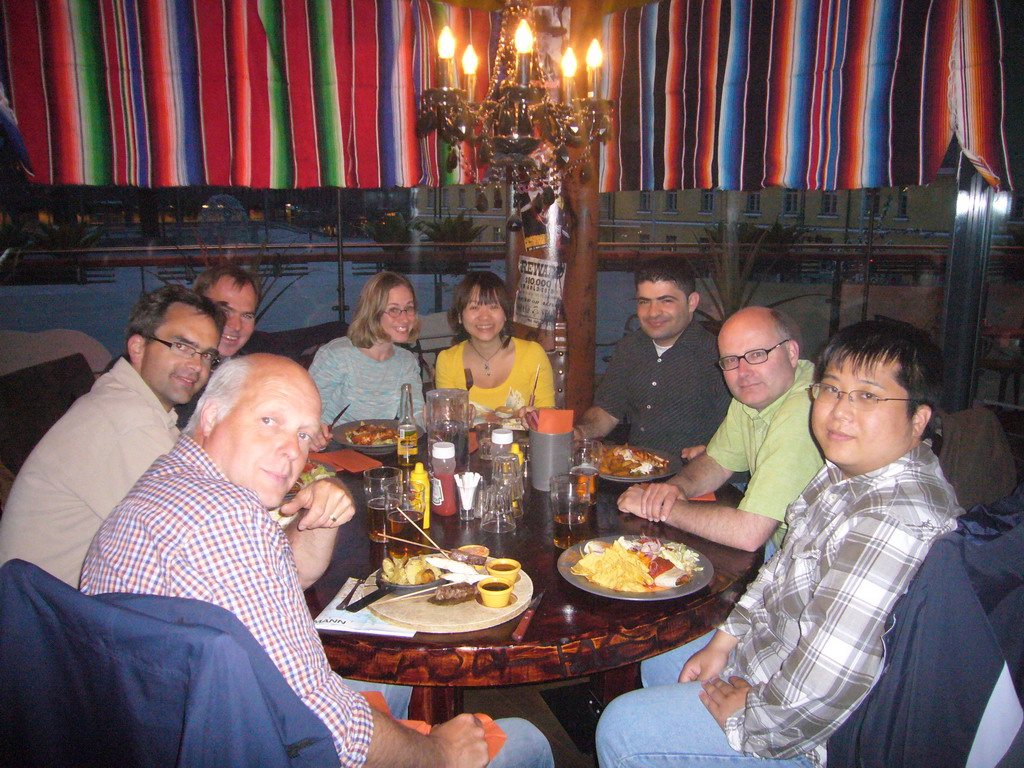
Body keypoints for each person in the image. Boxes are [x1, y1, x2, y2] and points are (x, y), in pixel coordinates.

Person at [81, 354, 553, 768]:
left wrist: (320, 519)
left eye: (305, 435)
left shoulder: (167, 483)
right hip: (253, 744)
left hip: (158, 733)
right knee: (525, 740)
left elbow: (278, 577)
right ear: (210, 415)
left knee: (388, 676)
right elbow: (328, 728)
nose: (292, 450)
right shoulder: (228, 521)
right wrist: (442, 755)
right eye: (270, 420)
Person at [596, 320, 962, 768]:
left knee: (622, 727)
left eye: (867, 396)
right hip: (775, 657)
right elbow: (781, 569)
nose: (840, 412)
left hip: (823, 738)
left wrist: (748, 721)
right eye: (831, 390)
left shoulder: (891, 520)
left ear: (918, 418)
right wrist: (725, 642)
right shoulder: (843, 475)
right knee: (660, 662)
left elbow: (829, 682)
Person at [0, 285, 223, 586]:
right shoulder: (127, 423)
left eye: (207, 356)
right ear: (138, 348)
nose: (197, 365)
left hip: (63, 603)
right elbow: (204, 544)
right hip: (45, 619)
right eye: (181, 346)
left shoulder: (131, 405)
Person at [618, 306, 823, 552]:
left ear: (791, 353)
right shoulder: (754, 396)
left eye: (757, 354)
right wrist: (675, 488)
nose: (743, 372)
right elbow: (718, 462)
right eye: (730, 360)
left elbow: (749, 532)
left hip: (809, 563)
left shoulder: (806, 408)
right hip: (781, 547)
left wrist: (660, 508)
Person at [573, 256, 730, 455]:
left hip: (698, 478)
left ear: (692, 302)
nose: (653, 313)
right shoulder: (630, 348)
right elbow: (607, 411)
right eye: (644, 302)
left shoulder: (719, 356)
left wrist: (711, 452)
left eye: (666, 301)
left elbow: (739, 431)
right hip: (636, 473)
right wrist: (578, 433)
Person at [310, 271, 425, 429]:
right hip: (333, 447)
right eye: (394, 310)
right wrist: (315, 433)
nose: (405, 319)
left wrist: (433, 418)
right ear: (372, 312)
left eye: (409, 308)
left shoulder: (406, 361)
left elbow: (414, 414)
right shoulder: (337, 355)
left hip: (382, 447)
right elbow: (306, 411)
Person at [435, 271, 555, 418]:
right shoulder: (447, 361)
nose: (484, 316)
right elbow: (446, 423)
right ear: (460, 316)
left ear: (505, 313)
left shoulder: (532, 354)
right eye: (474, 307)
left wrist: (536, 417)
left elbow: (549, 416)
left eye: (493, 307)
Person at [174, 264, 261, 430]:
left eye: (247, 316)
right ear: (197, 308)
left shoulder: (247, 375)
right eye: (225, 312)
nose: (236, 325)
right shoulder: (170, 372)